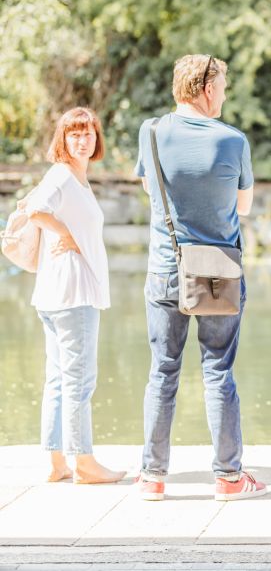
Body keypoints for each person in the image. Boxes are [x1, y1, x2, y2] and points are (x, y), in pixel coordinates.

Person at [134, 54, 264, 502]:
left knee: (163, 371)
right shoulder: (233, 141)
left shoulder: (149, 132)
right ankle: (229, 478)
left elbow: (152, 192)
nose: (225, 94)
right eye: (223, 86)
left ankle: (152, 477)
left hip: (166, 270)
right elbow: (243, 208)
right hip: (219, 273)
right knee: (218, 371)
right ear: (208, 89)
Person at [25, 107, 125, 485]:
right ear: (62, 140)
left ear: (97, 138)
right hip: (72, 296)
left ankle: (56, 463)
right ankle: (84, 462)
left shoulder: (75, 179)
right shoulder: (63, 176)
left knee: (58, 379)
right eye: (74, 134)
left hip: (57, 295)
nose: (82, 140)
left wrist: (65, 231)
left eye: (88, 133)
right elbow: (35, 210)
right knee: (79, 382)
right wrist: (64, 233)